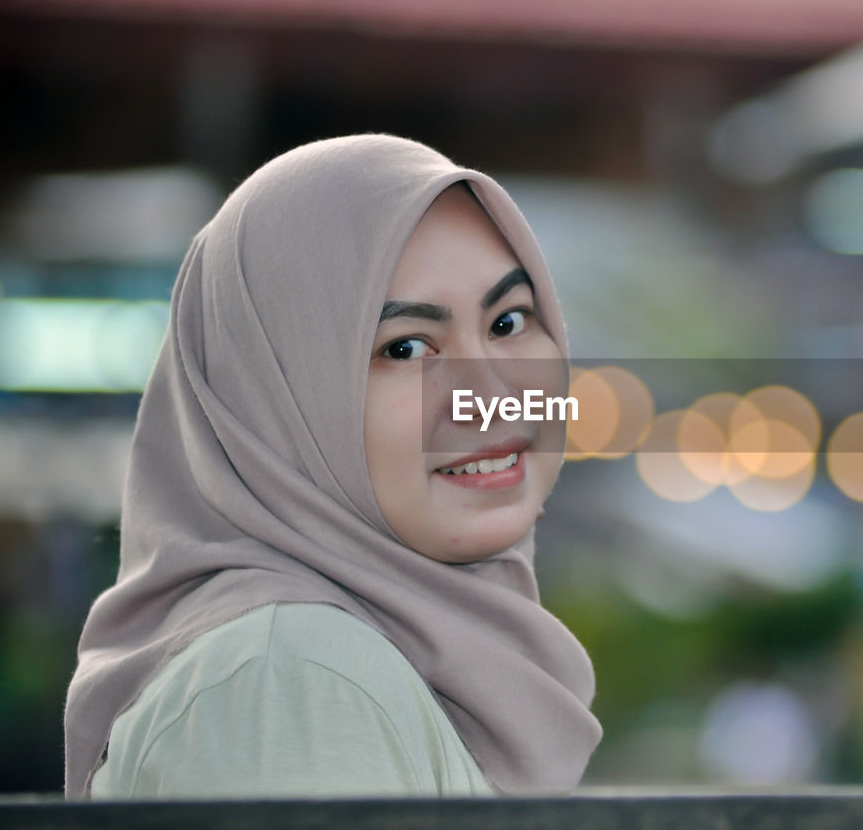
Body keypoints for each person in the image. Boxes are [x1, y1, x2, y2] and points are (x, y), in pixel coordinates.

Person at [62, 134, 602, 799]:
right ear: (274, 400)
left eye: (509, 322)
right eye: (405, 347)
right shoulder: (290, 677)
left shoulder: (388, 659)